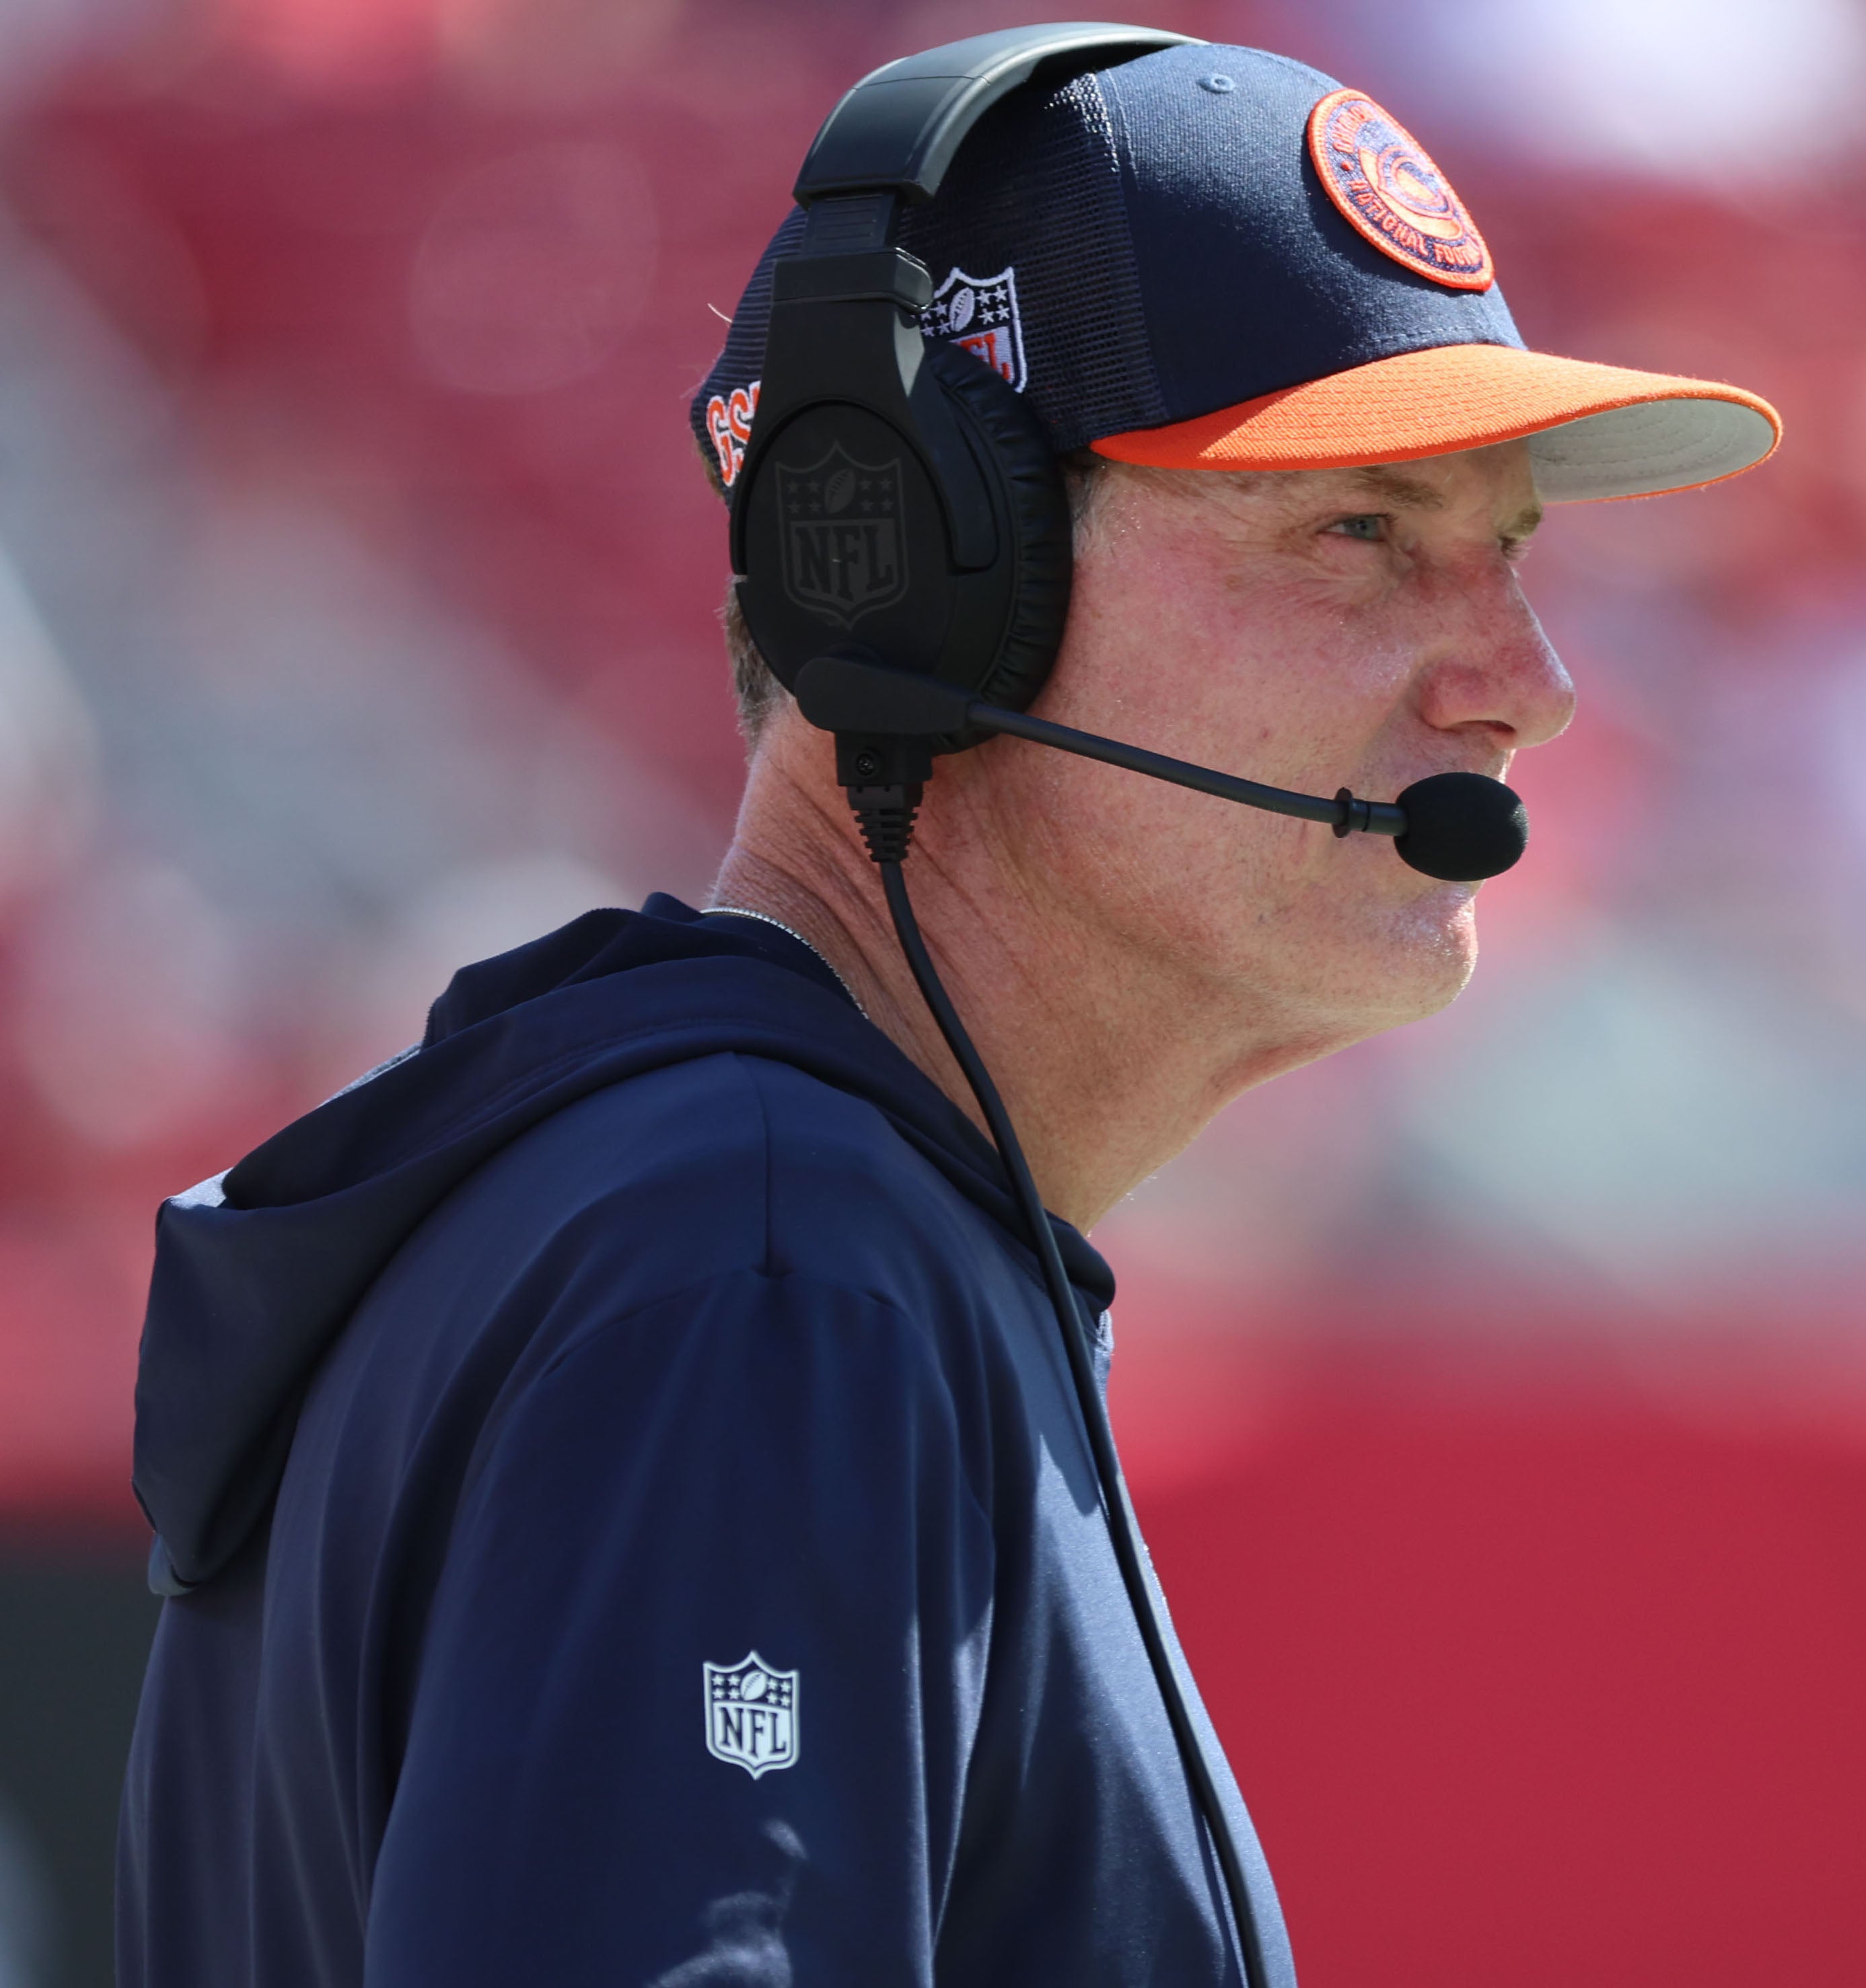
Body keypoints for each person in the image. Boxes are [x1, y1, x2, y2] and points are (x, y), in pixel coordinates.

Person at [116, 30, 1777, 1987]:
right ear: (905, 573)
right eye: (1362, 532)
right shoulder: (761, 1268)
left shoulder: (747, 1226)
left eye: (1504, 553)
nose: (1529, 683)